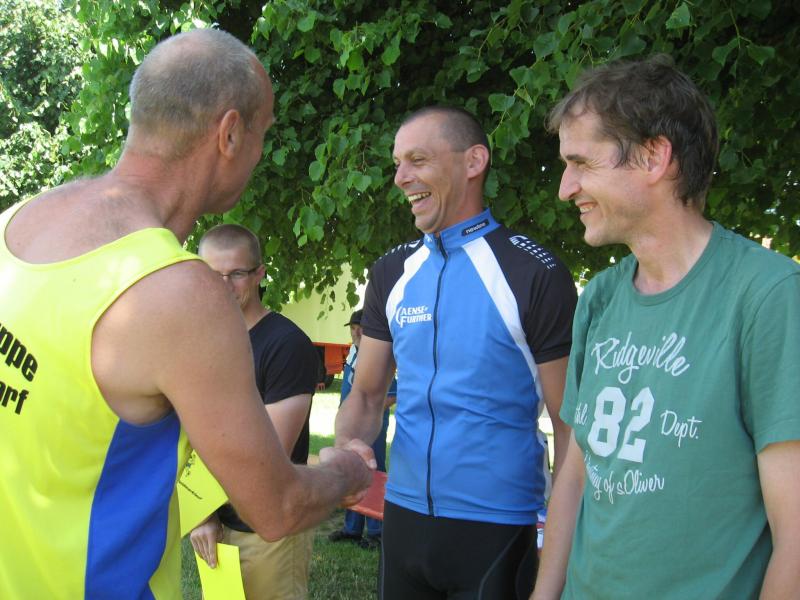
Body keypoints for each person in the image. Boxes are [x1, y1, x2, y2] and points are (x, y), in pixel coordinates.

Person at [0, 29, 371, 600]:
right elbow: (276, 507)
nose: (260, 153)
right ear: (230, 133)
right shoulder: (179, 293)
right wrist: (348, 471)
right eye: (264, 132)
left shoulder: (16, 221)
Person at [532, 55, 800, 600]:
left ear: (654, 157)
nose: (565, 187)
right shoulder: (600, 299)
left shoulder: (767, 295)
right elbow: (576, 476)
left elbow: (795, 532)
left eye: (581, 163)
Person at [335, 106, 578, 599]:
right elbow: (366, 394)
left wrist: (560, 547)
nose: (401, 178)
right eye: (397, 164)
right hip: (403, 518)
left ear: (474, 161)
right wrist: (348, 449)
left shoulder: (533, 271)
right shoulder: (391, 272)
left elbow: (569, 425)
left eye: (418, 160)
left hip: (498, 525)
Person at [189, 224, 319, 599]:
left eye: (236, 274)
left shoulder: (286, 345)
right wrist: (201, 514)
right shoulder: (203, 339)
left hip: (268, 529)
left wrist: (202, 504)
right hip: (215, 525)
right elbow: (186, 431)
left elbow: (268, 455)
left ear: (260, 273)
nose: (223, 286)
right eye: (212, 275)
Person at [328, 309, 397, 550]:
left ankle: (377, 530)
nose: (356, 333)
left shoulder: (377, 357)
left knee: (372, 472)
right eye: (353, 328)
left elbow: (391, 395)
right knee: (352, 471)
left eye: (361, 329)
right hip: (351, 428)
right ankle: (352, 529)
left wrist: (367, 410)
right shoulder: (354, 353)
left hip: (371, 428)